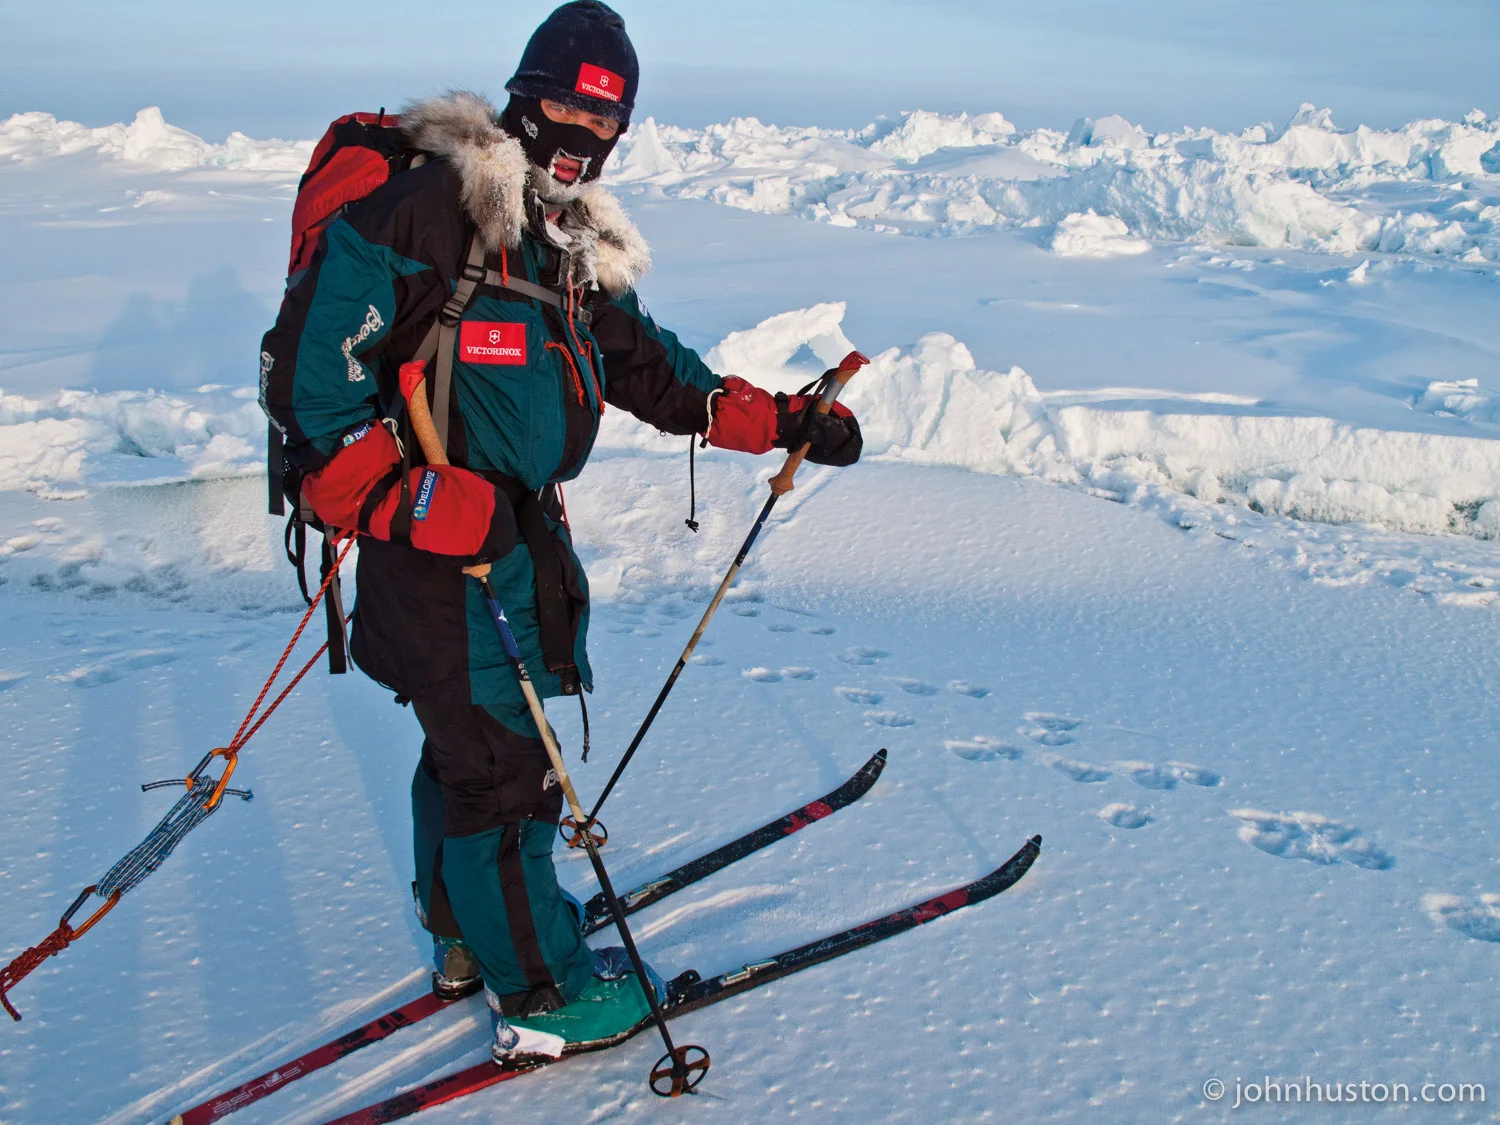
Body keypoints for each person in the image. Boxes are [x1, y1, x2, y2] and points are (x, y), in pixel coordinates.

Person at [259, 0, 861, 1058]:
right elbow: (316, 398)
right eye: (566, 118)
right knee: (504, 771)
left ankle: (467, 938)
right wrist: (423, 504)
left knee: (467, 752)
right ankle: (540, 995)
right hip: (434, 551)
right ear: (523, 99)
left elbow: (646, 365)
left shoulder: (557, 239)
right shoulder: (421, 214)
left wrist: (782, 419)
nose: (585, 144)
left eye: (608, 128)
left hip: (511, 540)